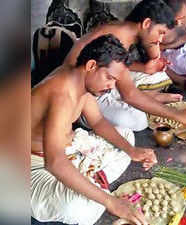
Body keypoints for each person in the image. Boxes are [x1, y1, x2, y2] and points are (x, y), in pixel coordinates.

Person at [31, 35, 157, 225]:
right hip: (31, 165)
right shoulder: (61, 94)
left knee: (126, 136)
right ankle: (91, 184)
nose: (111, 86)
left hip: (67, 149)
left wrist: (132, 151)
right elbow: (55, 162)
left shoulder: (80, 81)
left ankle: (89, 181)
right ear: (91, 66)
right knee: (81, 208)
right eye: (110, 78)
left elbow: (97, 121)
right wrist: (111, 202)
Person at [64, 0, 186, 131]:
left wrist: (145, 68)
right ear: (146, 24)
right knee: (138, 121)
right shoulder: (117, 37)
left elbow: (114, 65)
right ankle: (142, 98)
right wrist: (179, 116)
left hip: (99, 80)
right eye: (160, 33)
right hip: (81, 98)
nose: (160, 39)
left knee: (157, 76)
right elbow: (129, 94)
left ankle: (143, 97)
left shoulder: (124, 30)